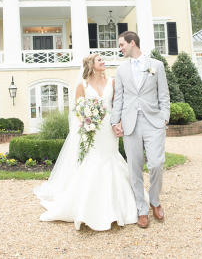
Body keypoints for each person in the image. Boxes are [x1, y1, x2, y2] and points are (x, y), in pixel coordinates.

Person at [34, 53, 142, 231]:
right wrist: (85, 122)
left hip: (109, 128)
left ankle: (120, 206)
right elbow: (76, 110)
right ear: (91, 65)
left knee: (112, 158)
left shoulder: (112, 83)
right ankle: (89, 208)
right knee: (94, 161)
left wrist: (119, 123)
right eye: (100, 60)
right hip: (92, 129)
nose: (103, 62)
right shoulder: (81, 85)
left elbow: (117, 105)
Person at [111, 31, 170, 228]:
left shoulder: (157, 66)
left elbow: (164, 94)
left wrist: (164, 117)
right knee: (134, 167)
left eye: (122, 45)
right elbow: (118, 98)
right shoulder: (120, 70)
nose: (120, 48)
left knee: (156, 163)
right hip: (130, 123)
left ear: (132, 42)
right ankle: (142, 209)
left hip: (153, 122)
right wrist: (114, 121)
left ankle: (155, 200)